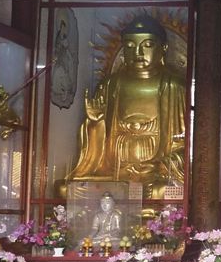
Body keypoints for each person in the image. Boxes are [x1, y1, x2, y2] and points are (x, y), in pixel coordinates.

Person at [69, 15, 186, 199]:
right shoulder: (110, 86)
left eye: (147, 45)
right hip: (113, 174)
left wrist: (165, 164)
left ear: (163, 48)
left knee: (162, 192)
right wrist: (95, 123)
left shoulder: (174, 87)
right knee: (69, 189)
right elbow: (95, 151)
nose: (138, 52)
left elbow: (184, 142)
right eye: (130, 46)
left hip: (155, 176)